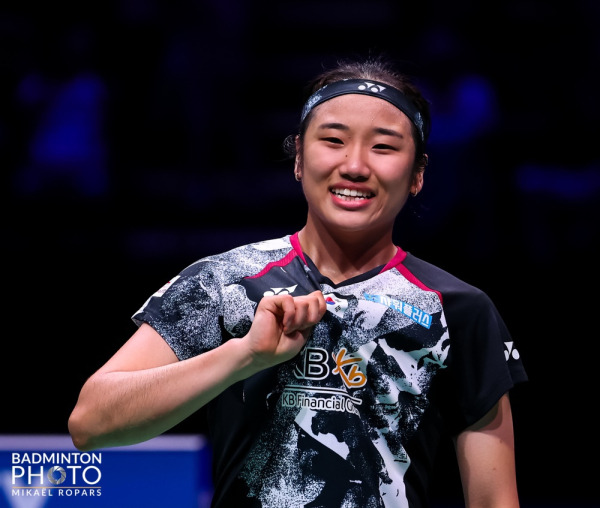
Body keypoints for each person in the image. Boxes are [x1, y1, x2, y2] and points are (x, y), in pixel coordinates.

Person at [69, 56, 528, 507]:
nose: (354, 165)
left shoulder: (457, 309)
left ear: (418, 175)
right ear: (298, 158)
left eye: (384, 147)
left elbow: (494, 499)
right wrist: (244, 355)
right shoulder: (224, 282)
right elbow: (91, 423)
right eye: (333, 140)